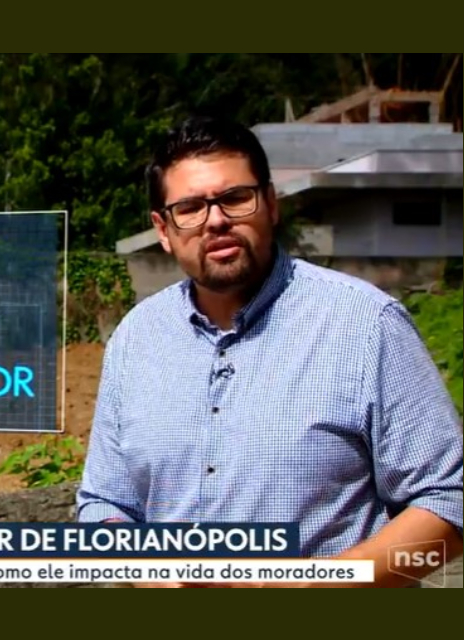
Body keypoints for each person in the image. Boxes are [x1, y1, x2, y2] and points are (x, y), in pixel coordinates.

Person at [76, 115, 463, 588]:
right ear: (163, 228)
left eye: (235, 198)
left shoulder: (364, 324)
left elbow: (450, 503)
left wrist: (319, 585)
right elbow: (103, 505)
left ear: (271, 204)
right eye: (191, 207)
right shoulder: (136, 339)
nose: (216, 220)